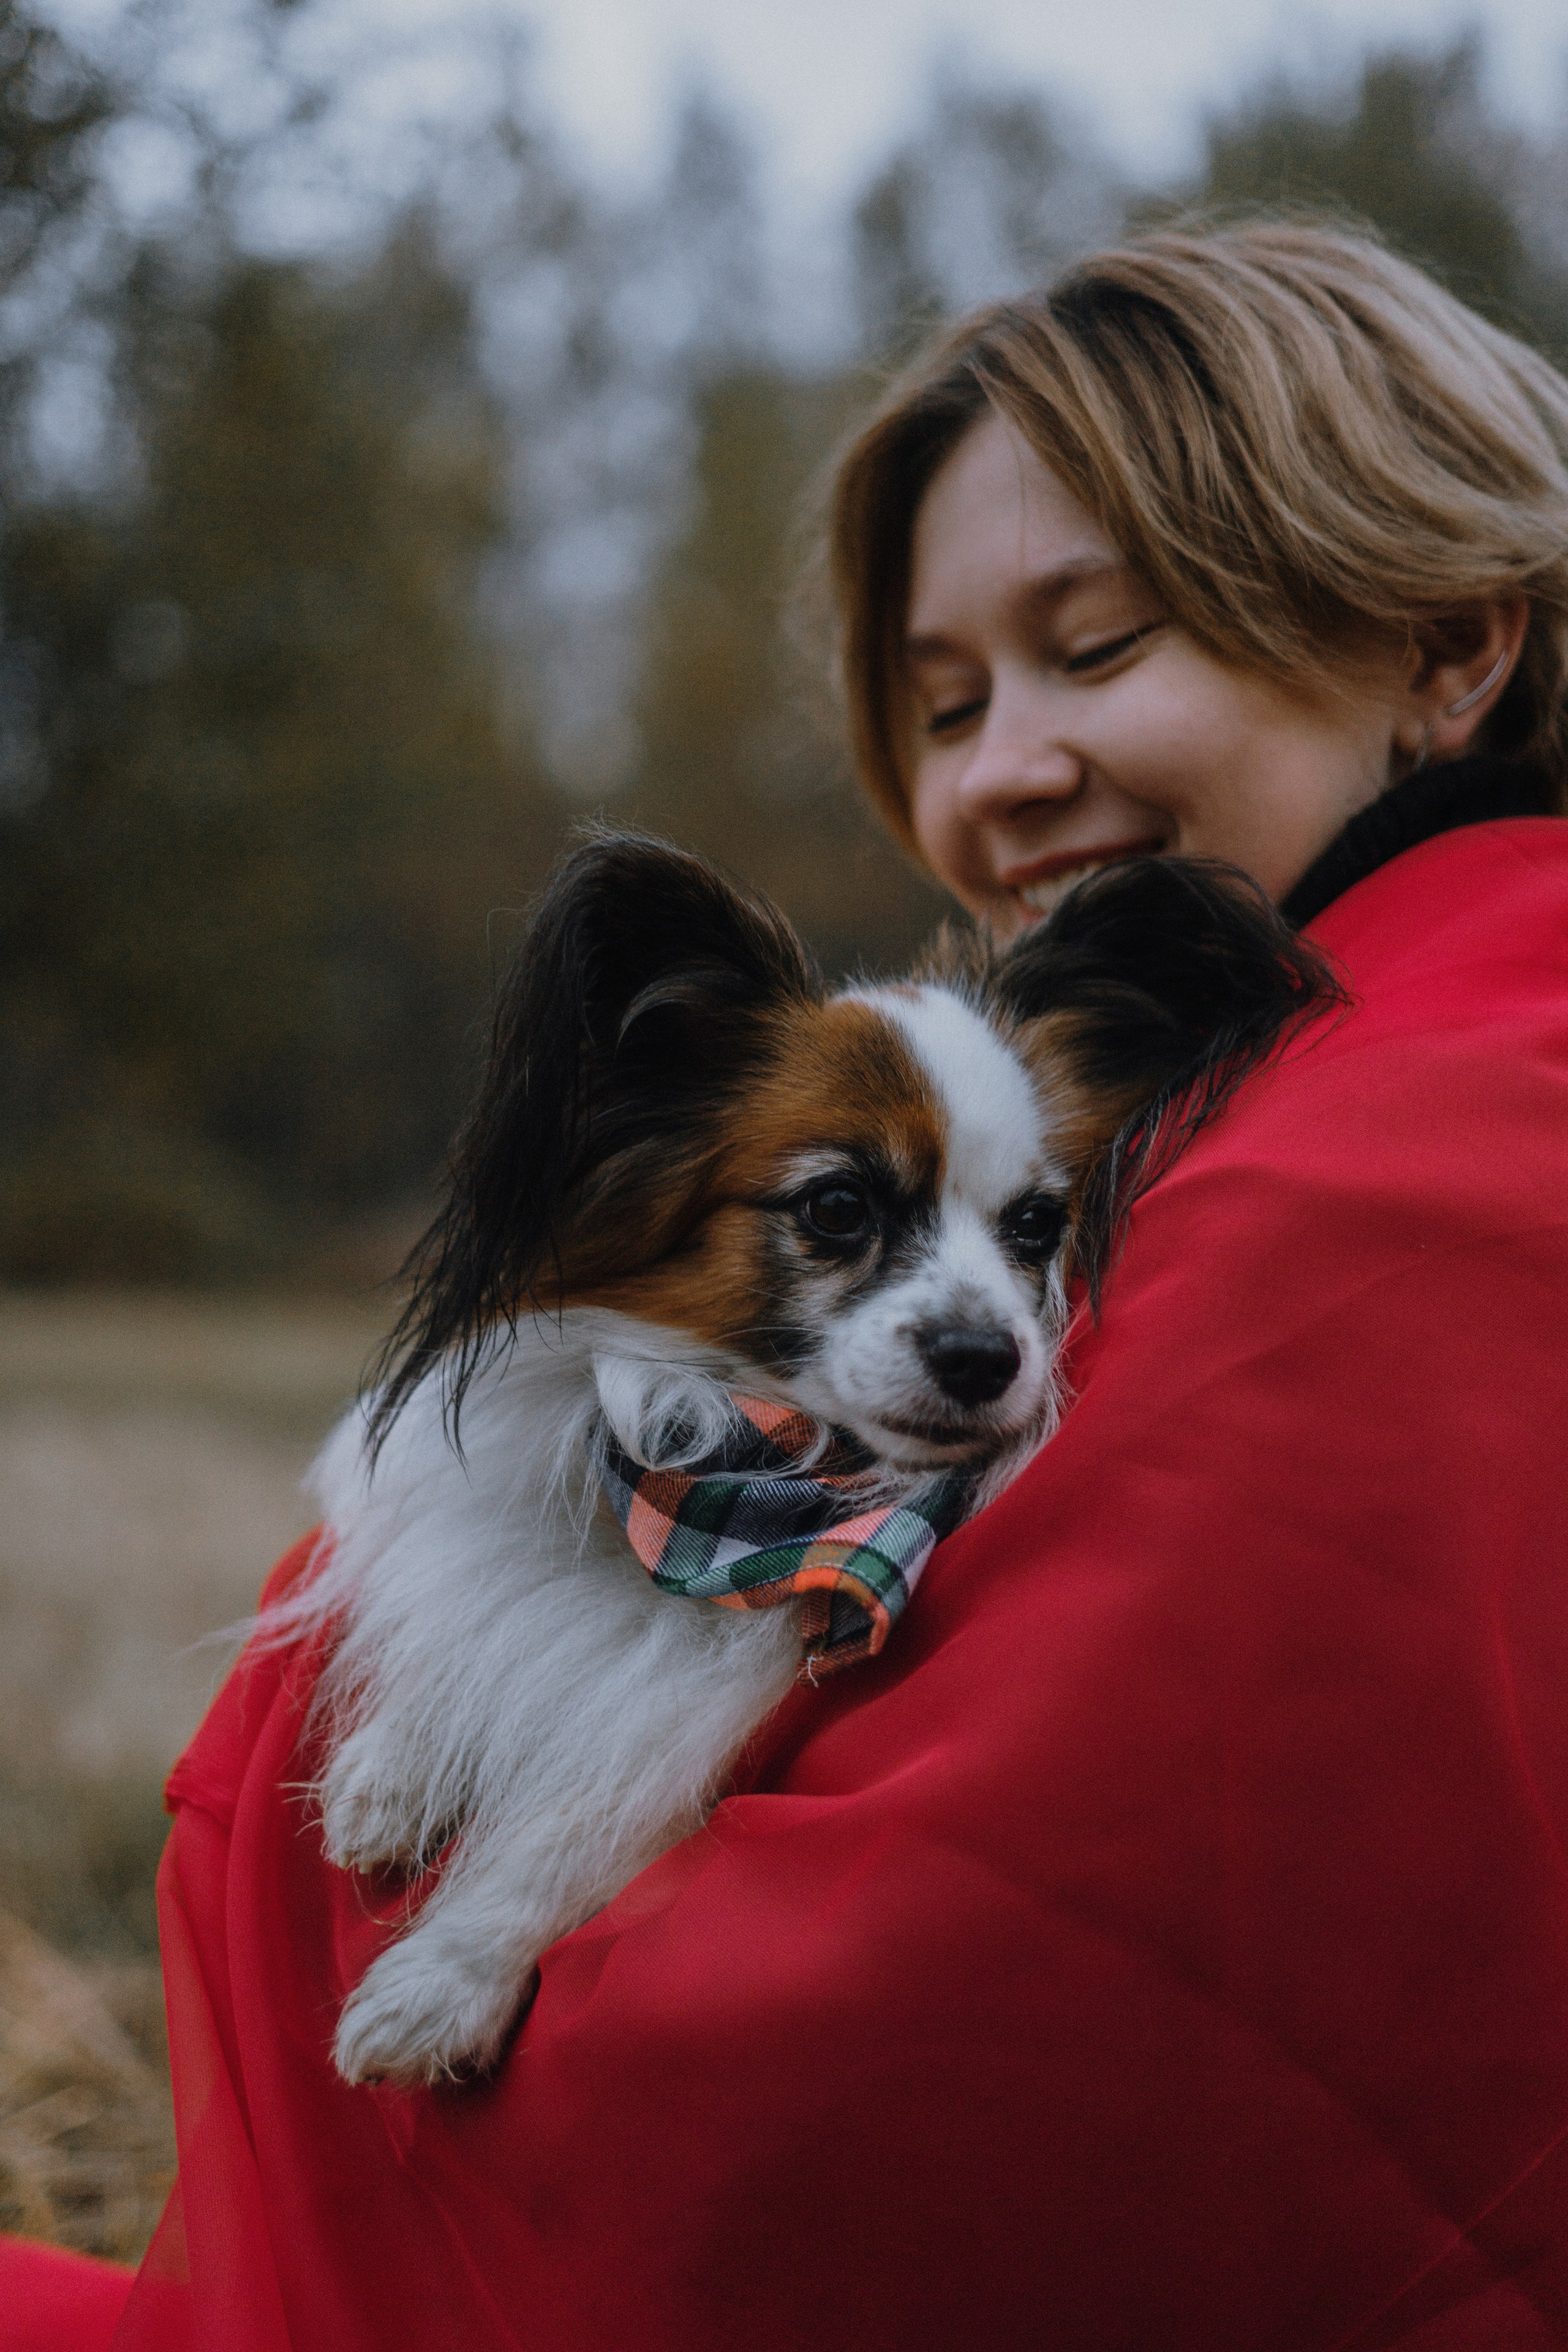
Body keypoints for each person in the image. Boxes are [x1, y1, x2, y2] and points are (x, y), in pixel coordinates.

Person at [26, 218, 1567, 2351]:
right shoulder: (1276, 1061)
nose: (994, 771)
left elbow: (999, 1963)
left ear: (1454, 643)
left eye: (1099, 645)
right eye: (943, 704)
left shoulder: (1414, 1129)